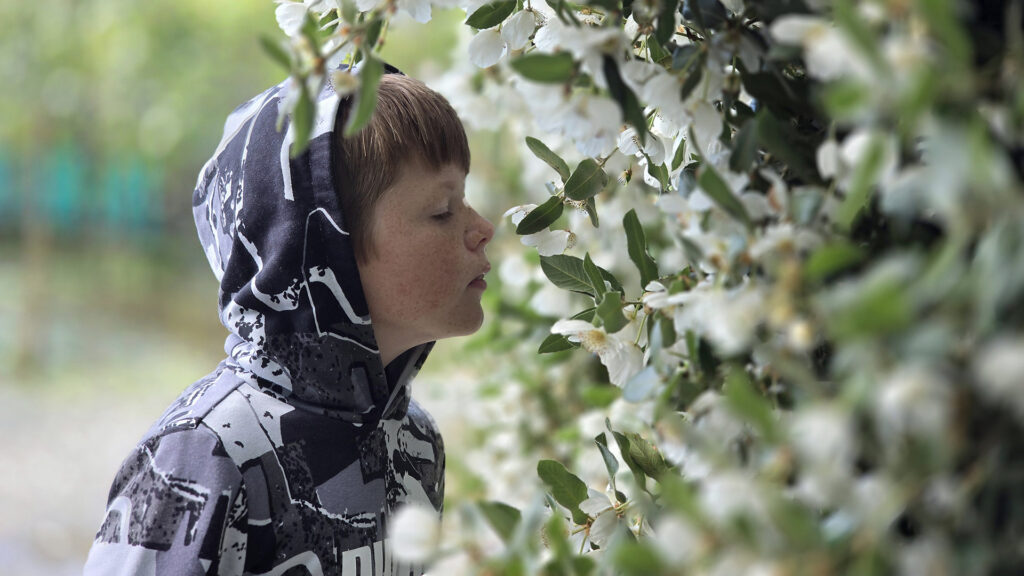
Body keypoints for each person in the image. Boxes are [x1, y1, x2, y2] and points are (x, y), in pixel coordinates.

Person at [83, 65, 494, 575]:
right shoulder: (206, 453)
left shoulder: (416, 441)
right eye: (442, 210)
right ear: (326, 244)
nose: (483, 227)